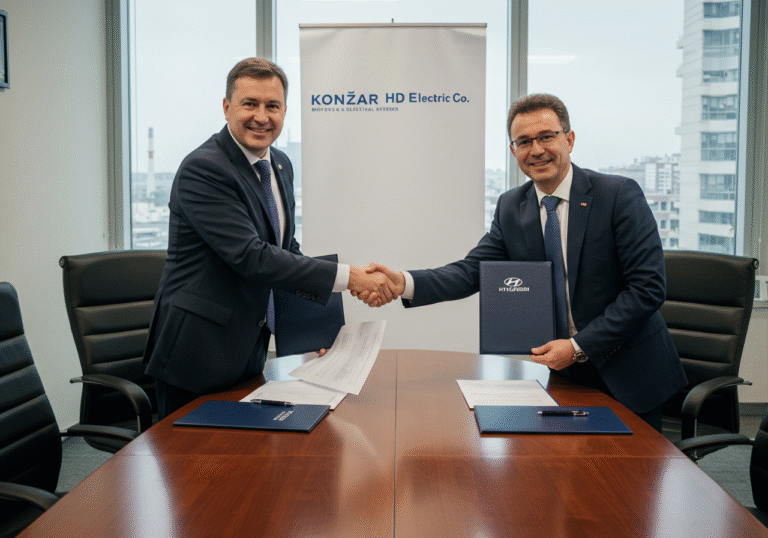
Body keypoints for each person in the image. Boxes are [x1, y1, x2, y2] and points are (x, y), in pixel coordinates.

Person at [359, 93, 687, 432]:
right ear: (514, 150)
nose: (537, 149)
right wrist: (402, 282)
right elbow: (473, 271)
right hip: (564, 376)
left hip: (628, 372)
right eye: (524, 141)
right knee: (565, 473)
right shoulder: (512, 207)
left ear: (569, 139)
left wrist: (577, 347)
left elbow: (647, 289)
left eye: (547, 136)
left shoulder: (618, 195)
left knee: (631, 478)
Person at [143, 58, 398, 419]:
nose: (261, 116)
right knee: (193, 468)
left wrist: (317, 332)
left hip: (246, 350)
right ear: (227, 107)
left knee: (246, 465)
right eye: (250, 104)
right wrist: (352, 277)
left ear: (284, 111)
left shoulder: (278, 164)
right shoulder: (204, 169)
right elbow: (253, 257)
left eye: (272, 106)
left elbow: (284, 249)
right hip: (196, 354)